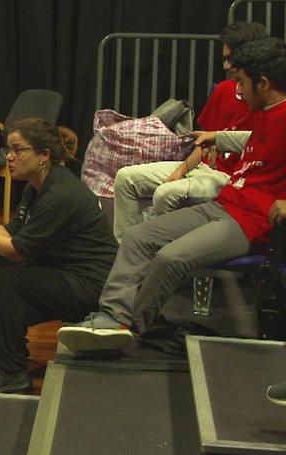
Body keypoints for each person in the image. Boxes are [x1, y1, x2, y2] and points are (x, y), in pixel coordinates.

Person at [58, 37, 286, 354]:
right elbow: (255, 137)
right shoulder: (265, 111)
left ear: (263, 83)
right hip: (227, 203)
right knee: (139, 237)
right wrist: (217, 136)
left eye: (242, 83)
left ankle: (128, 327)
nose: (238, 90)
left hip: (252, 223)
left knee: (170, 257)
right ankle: (111, 315)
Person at [0, 119, 118, 393]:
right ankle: (5, 342)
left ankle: (12, 373)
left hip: (93, 287)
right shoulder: (37, 187)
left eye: (18, 150)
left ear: (44, 155)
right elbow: (9, 233)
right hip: (70, 273)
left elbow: (17, 251)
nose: (9, 156)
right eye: (7, 149)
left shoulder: (60, 196)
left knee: (8, 276)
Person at [111, 22, 268, 242]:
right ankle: (127, 256)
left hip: (232, 180)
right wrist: (180, 171)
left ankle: (165, 261)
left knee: (166, 194)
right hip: (203, 168)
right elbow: (203, 143)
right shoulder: (224, 90)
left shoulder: (268, 102)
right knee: (125, 178)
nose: (226, 66)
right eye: (224, 59)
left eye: (231, 59)